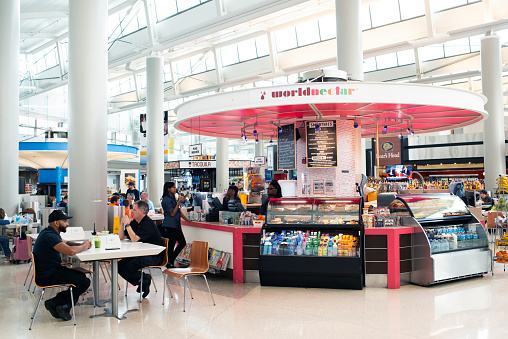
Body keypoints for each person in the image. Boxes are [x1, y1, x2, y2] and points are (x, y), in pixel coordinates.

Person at [32, 210, 92, 321]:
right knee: (84, 281)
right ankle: (56, 303)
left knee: (80, 278)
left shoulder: (48, 233)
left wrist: (82, 244)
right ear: (56, 223)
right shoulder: (50, 236)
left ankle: (64, 306)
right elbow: (70, 251)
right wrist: (83, 246)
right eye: (64, 221)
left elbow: (67, 243)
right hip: (48, 275)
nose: (67, 224)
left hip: (48, 272)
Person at [118, 200, 163, 298]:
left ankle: (145, 279)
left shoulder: (147, 223)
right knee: (119, 265)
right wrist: (122, 224)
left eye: (134, 210)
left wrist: (128, 225)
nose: (131, 212)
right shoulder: (135, 222)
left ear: (141, 211)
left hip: (154, 256)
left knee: (128, 267)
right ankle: (142, 281)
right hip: (141, 254)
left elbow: (134, 239)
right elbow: (121, 237)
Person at [161, 182, 190, 268]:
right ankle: (169, 262)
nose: (175, 188)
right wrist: (178, 203)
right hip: (170, 225)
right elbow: (172, 213)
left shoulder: (173, 198)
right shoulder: (166, 199)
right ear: (168, 189)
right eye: (173, 187)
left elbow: (178, 211)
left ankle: (170, 260)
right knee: (172, 245)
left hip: (176, 225)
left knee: (182, 243)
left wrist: (187, 219)